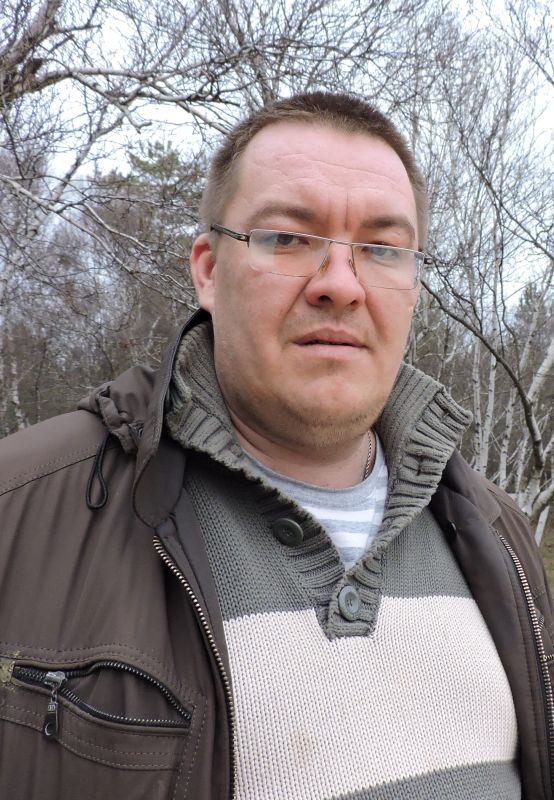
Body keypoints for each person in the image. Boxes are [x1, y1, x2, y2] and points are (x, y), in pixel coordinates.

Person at [0, 92, 551, 800]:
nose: (341, 285)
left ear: (413, 282)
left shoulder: (499, 536)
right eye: (288, 238)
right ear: (208, 269)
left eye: (383, 249)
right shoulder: (20, 513)